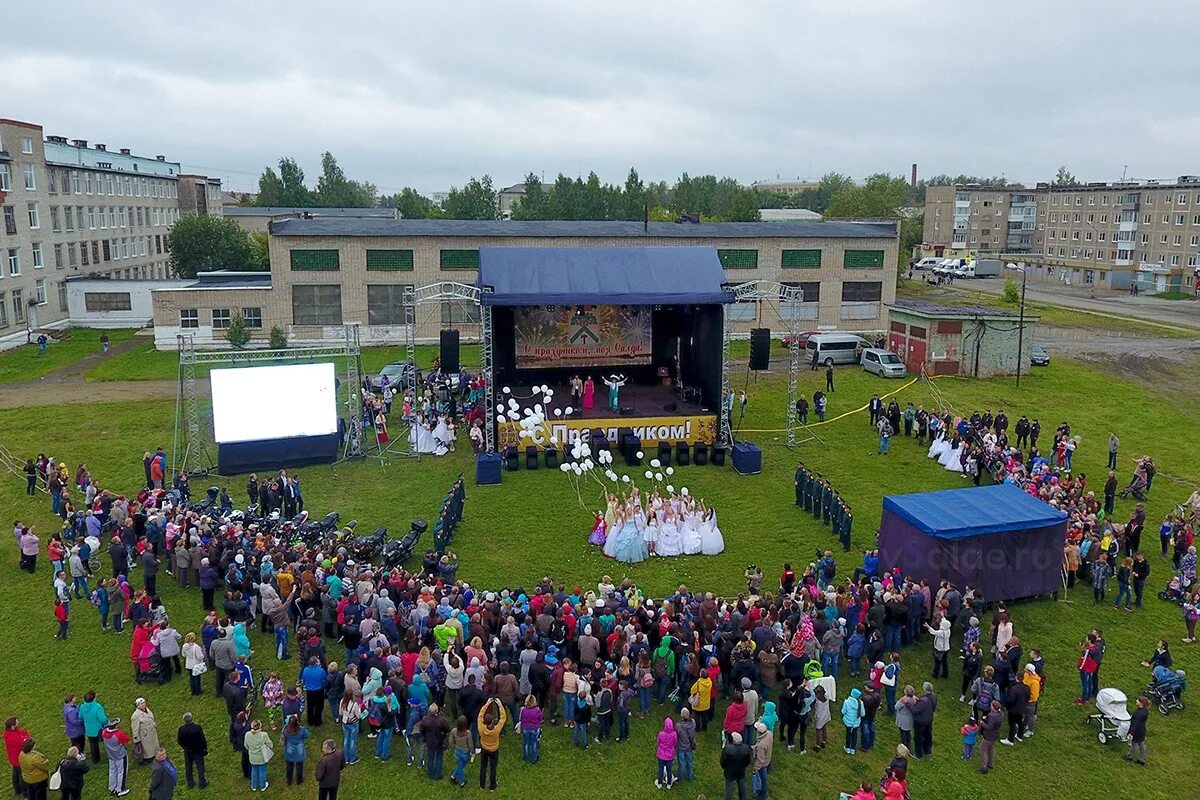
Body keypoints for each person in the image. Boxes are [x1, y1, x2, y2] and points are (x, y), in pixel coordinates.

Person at [477, 698, 505, 791]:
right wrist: (500, 705)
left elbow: (480, 715)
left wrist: (486, 704)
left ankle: (482, 784)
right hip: (494, 750)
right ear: (492, 721)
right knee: (493, 767)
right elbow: (503, 718)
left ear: (485, 721)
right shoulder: (496, 730)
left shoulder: (481, 727)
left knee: (483, 766)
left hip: (484, 748)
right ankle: (492, 786)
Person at [175, 713, 208, 790]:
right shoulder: (197, 728)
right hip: (197, 750)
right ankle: (202, 783)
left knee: (188, 767)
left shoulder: (181, 729)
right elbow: (202, 739)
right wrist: (204, 748)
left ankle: (190, 783)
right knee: (200, 766)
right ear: (192, 718)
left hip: (187, 751)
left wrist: (184, 747)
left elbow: (179, 741)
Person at [101, 719, 130, 797]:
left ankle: (112, 787)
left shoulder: (104, 733)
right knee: (122, 772)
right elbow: (127, 739)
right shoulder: (118, 734)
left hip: (110, 755)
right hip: (120, 755)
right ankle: (120, 789)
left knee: (112, 772)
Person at [719, 731, 752, 800]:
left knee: (729, 789)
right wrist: (744, 766)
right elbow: (748, 761)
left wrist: (725, 767)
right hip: (741, 771)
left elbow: (722, 761)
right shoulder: (746, 748)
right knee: (742, 788)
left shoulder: (728, 749)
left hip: (729, 772)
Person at [244, 719, 273, 792]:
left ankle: (254, 786)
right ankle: (263, 786)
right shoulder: (263, 735)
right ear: (260, 726)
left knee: (254, 770)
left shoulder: (247, 734)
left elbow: (246, 745)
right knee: (262, 770)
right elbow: (270, 744)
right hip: (262, 757)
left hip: (252, 756)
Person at [131, 699, 159, 766]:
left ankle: (155, 754)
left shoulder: (147, 710)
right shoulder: (135, 716)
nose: (143, 705)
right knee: (148, 748)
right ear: (137, 706)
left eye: (144, 703)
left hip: (152, 731)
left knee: (154, 744)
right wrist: (136, 740)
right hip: (145, 734)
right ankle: (148, 758)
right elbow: (135, 729)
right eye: (141, 704)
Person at [978, 700, 1003, 774]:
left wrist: (982, 723)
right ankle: (990, 763)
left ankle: (984, 767)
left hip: (988, 735)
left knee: (983, 750)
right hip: (995, 735)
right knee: (991, 749)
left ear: (993, 707)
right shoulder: (1001, 714)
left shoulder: (992, 716)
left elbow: (989, 727)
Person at [1124, 695, 1150, 766]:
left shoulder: (1139, 713)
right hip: (1142, 730)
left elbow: (1135, 724)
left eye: (1138, 700)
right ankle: (1142, 759)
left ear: (1141, 703)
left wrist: (1131, 733)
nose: (1136, 701)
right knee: (1141, 744)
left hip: (1137, 731)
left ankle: (1130, 756)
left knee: (1134, 744)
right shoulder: (1145, 711)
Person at [750, 721, 772, 800]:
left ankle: (762, 796)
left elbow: (760, 760)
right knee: (763, 778)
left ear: (759, 732)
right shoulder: (769, 734)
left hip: (763, 764)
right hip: (768, 758)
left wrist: (755, 769)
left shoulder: (761, 746)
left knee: (762, 780)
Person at [518, 695, 542, 764]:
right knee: (534, 742)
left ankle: (526, 757)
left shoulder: (523, 710)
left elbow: (521, 718)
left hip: (526, 728)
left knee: (526, 742)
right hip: (535, 728)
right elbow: (540, 719)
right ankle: (534, 758)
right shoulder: (537, 710)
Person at [449, 717, 472, 788]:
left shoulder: (453, 731)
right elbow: (470, 744)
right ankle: (462, 782)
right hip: (465, 753)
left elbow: (451, 741)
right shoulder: (468, 733)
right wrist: (473, 751)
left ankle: (453, 776)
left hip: (457, 751)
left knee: (460, 766)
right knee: (461, 768)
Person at [654, 716, 676, 789]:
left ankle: (659, 783)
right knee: (669, 769)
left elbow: (658, 742)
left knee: (661, 769)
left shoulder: (661, 734)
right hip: (670, 755)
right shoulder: (674, 734)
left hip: (661, 755)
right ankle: (669, 784)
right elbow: (675, 743)